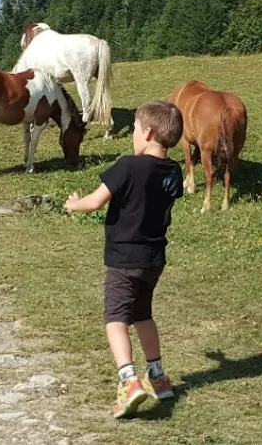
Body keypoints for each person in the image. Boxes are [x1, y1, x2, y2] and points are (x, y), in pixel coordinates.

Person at [65, 100, 185, 418]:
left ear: (147, 133)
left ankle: (129, 380)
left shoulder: (128, 166)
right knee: (143, 314)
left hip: (124, 258)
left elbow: (95, 202)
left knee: (115, 318)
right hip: (154, 258)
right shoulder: (173, 171)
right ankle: (157, 376)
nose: (132, 135)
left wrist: (74, 204)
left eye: (133, 129)